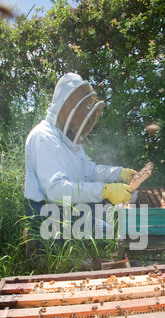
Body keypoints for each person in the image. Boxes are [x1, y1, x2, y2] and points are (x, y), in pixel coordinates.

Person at [24, 72, 136, 248]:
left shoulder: (68, 140)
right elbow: (56, 191)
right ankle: (39, 246)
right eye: (82, 106)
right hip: (46, 213)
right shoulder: (43, 137)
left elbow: (90, 172)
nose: (86, 112)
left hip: (66, 209)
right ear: (66, 105)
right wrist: (105, 191)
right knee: (107, 232)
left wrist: (118, 173)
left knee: (113, 217)